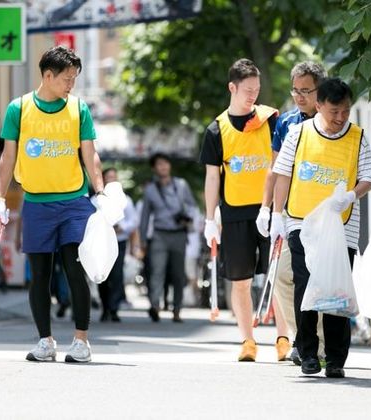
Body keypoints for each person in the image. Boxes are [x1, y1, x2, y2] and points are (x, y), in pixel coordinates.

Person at [0, 45, 104, 363]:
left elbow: (90, 153)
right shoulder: (19, 108)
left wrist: (101, 190)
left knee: (73, 268)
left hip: (74, 202)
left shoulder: (79, 109)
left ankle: (81, 341)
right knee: (39, 275)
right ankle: (46, 341)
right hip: (37, 202)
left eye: (74, 79)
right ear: (48, 75)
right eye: (67, 79)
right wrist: (0, 198)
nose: (71, 85)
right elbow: (8, 156)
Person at [270, 77, 371, 378]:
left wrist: (351, 195)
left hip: (343, 227)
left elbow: (369, 176)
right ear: (318, 106)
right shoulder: (299, 134)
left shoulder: (357, 137)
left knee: (336, 291)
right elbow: (283, 174)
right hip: (300, 223)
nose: (340, 118)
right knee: (305, 286)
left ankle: (336, 359)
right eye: (334, 112)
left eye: (345, 111)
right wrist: (277, 215)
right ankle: (307, 354)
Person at [200, 58, 288, 362]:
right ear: (232, 87)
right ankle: (247, 341)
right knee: (240, 280)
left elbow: (282, 165)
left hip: (272, 210)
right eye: (247, 90)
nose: (253, 95)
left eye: (257, 89)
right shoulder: (216, 130)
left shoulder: (271, 121)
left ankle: (283, 338)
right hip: (236, 210)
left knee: (277, 276)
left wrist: (279, 210)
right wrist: (210, 218)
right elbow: (213, 177)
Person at [256, 61, 327, 364]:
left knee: (320, 279)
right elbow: (274, 169)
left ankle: (320, 343)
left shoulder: (330, 122)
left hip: (324, 214)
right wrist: (269, 209)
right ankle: (303, 338)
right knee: (284, 277)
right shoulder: (285, 123)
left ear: (319, 90)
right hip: (291, 214)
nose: (299, 97)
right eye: (295, 90)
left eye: (306, 91)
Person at [139, 153, 197, 323]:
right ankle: (155, 305)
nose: (163, 167)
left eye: (165, 163)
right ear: (154, 168)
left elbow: (192, 205)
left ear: (169, 166)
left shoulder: (181, 185)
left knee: (179, 274)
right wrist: (143, 240)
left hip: (179, 233)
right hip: (159, 234)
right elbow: (144, 216)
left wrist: (188, 217)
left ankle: (177, 309)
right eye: (159, 164)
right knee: (157, 271)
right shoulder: (150, 190)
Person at [96, 168, 138, 322]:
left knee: (117, 274)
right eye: (109, 177)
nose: (112, 180)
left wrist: (123, 227)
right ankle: (105, 306)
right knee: (102, 276)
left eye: (114, 177)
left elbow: (134, 220)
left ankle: (114, 308)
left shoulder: (126, 199)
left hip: (119, 241)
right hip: (102, 242)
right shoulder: (97, 199)